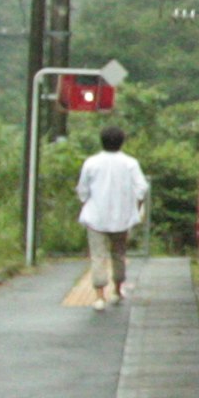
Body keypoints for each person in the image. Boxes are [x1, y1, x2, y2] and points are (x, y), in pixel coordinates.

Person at [74, 124, 148, 310]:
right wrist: (135, 207)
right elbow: (142, 188)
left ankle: (99, 296)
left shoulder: (91, 162)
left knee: (98, 256)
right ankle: (117, 289)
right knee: (119, 254)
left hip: (95, 217)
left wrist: (86, 202)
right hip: (122, 218)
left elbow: (82, 189)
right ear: (122, 142)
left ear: (102, 141)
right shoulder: (130, 163)